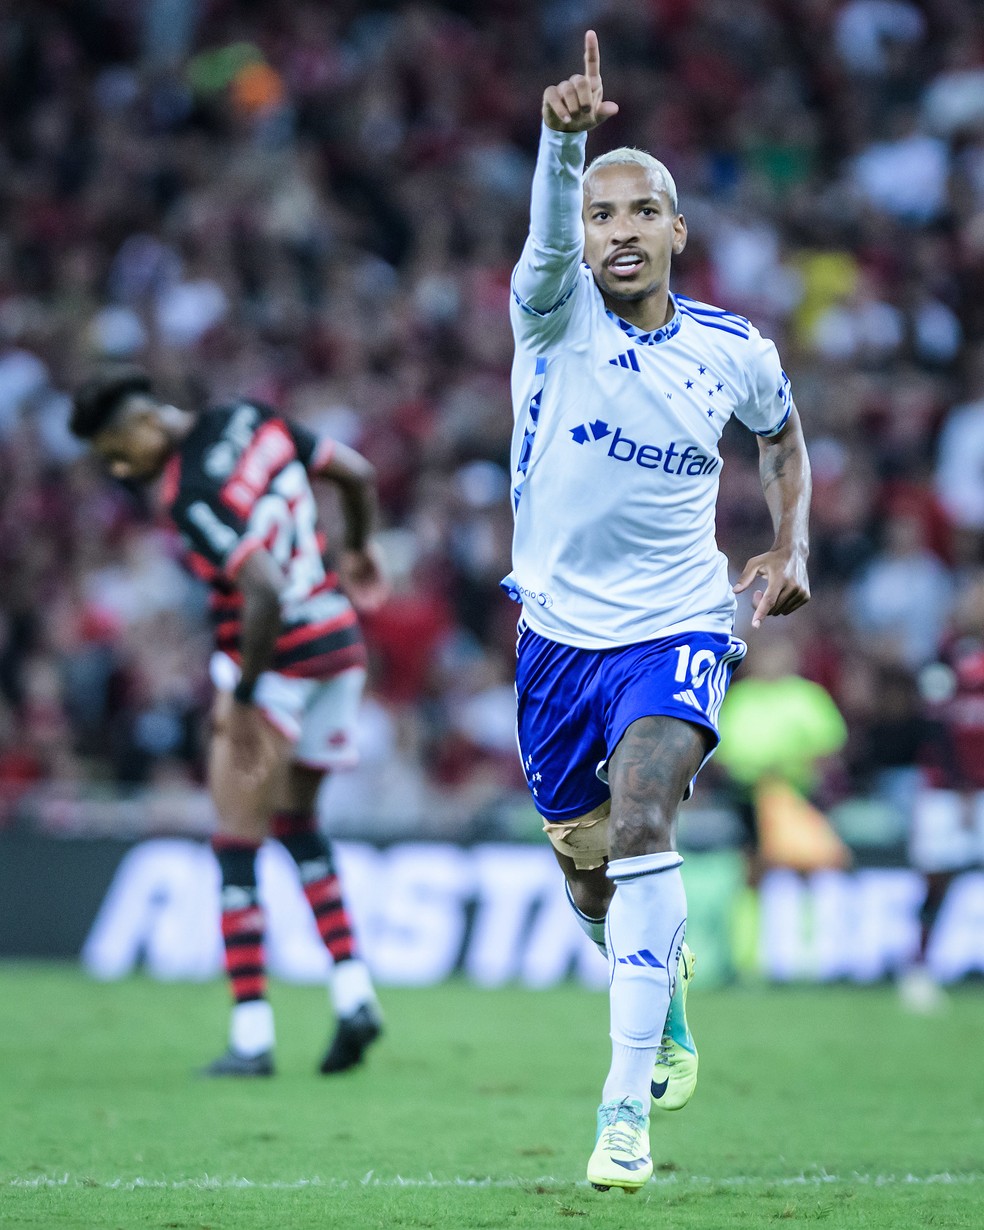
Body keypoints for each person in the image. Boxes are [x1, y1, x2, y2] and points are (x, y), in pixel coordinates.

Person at [503, 32, 812, 1192]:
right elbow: (540, 239)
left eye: (642, 213)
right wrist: (559, 143)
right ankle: (661, 989)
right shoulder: (550, 314)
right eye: (601, 215)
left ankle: (622, 1113)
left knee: (645, 821)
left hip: (680, 621)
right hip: (553, 638)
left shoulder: (735, 351)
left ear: (679, 229)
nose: (618, 231)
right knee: (591, 875)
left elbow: (782, 441)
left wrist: (790, 542)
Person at [70, 367, 387, 1078]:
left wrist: (242, 694)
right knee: (299, 824)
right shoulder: (254, 417)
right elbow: (358, 475)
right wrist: (362, 547)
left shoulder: (190, 492)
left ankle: (251, 1037)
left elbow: (264, 591)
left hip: (274, 667)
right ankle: (354, 992)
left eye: (117, 452)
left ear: (142, 425)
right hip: (339, 646)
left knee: (235, 841)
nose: (121, 468)